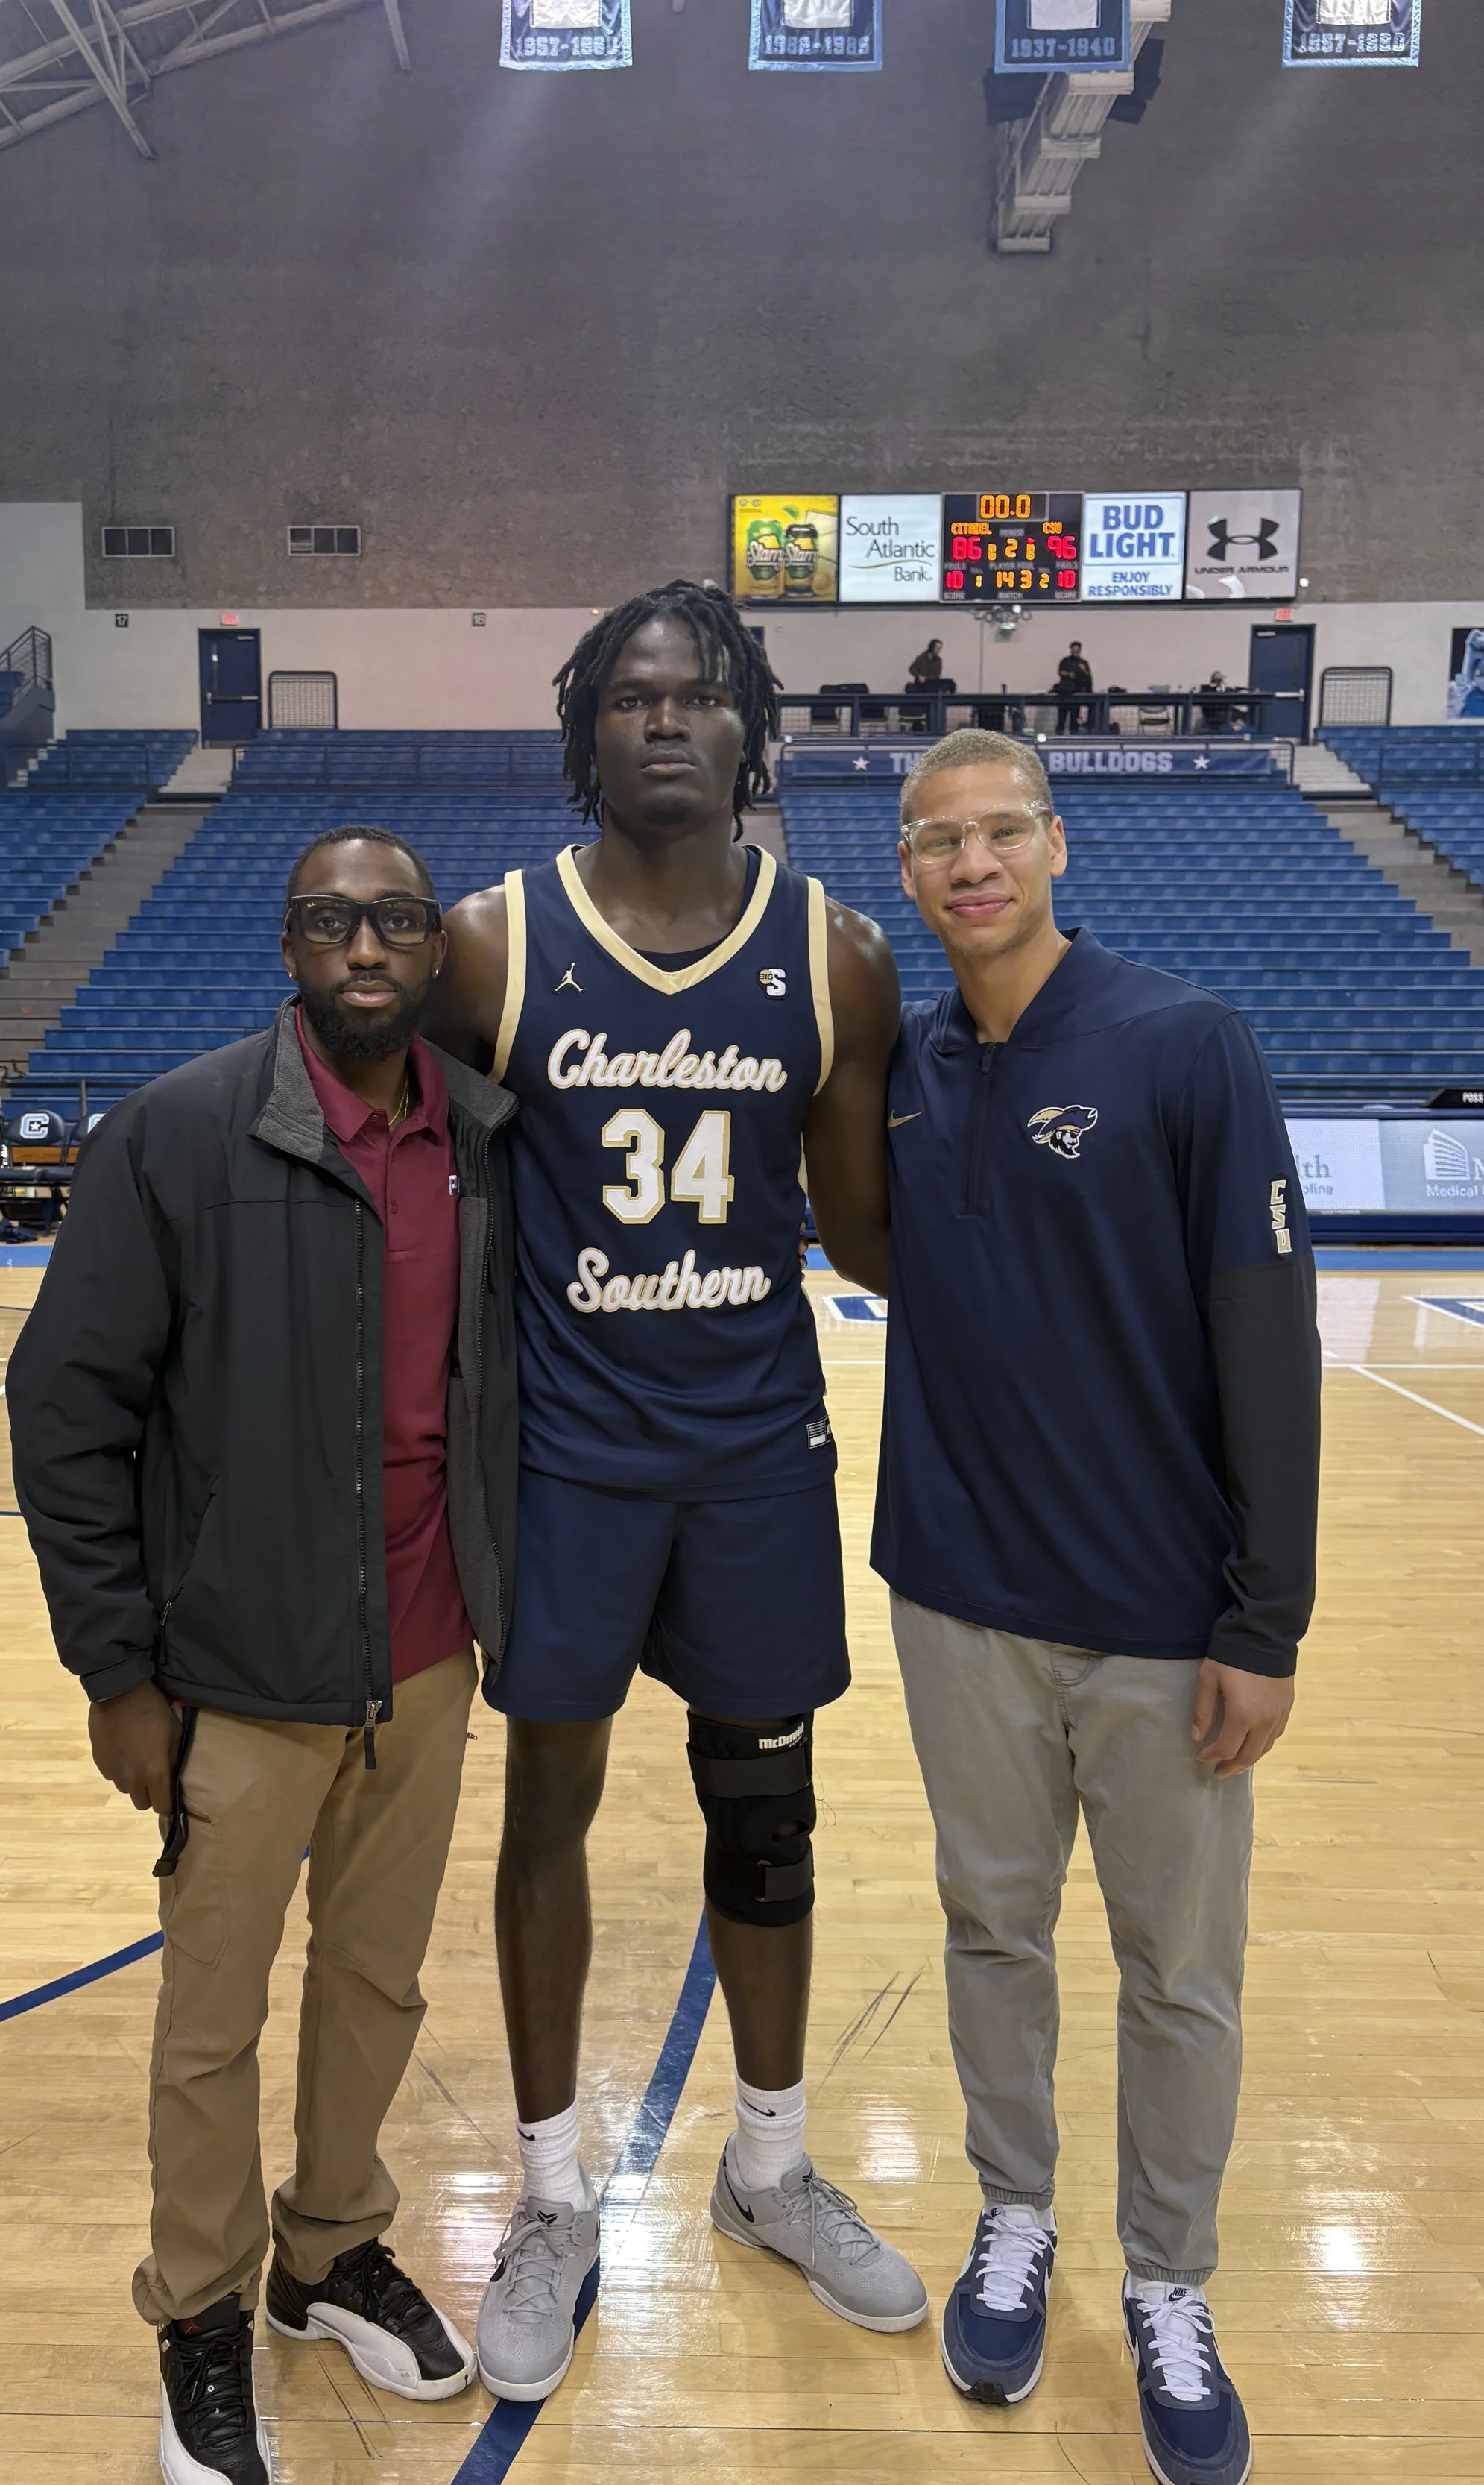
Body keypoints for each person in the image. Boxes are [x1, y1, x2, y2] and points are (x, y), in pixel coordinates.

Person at [430, 579, 925, 2405]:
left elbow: (874, 1233)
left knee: (765, 1814)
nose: (663, 720)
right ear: (586, 732)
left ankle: (770, 2164)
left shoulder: (836, 957)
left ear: (748, 731)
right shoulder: (492, 946)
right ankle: (553, 2195)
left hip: (751, 1449)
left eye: (698, 695)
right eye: (630, 696)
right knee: (545, 1800)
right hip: (567, 1453)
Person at [7, 824, 520, 2485]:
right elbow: (64, 1413)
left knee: (375, 1985)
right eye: (328, 920)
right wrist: (116, 1672)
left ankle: (327, 2246)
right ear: (286, 944)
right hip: (235, 1672)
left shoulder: (487, 1145)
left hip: (429, 1662)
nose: (361, 946)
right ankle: (203, 2311)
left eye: (389, 920)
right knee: (209, 2024)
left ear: (431, 945)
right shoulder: (177, 1134)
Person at [842, 728, 1319, 2485]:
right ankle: (1015, 2216)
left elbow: (1268, 1338)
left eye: (999, 833)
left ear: (1057, 843)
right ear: (904, 871)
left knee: (1177, 1973)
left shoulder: (1184, 1045)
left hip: (1161, 1618)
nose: (971, 864)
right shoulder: (898, 1065)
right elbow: (890, 1249)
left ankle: (1172, 2287)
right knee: (991, 1932)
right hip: (960, 1598)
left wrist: (1266, 1619)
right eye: (935, 842)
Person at [1053, 641, 1093, 732]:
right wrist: (1068, 674)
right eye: (1073, 649)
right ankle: (1059, 733)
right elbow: (1060, 672)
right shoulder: (1065, 661)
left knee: (1074, 715)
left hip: (1076, 692)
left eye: (1077, 650)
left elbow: (1088, 676)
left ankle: (1073, 733)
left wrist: (1083, 670)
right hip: (1064, 693)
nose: (1075, 651)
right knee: (1062, 715)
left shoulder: (1083, 663)